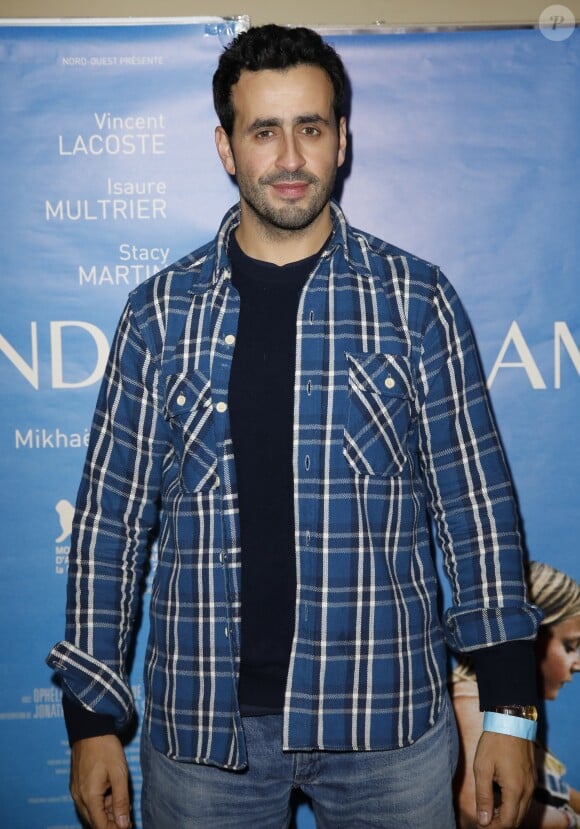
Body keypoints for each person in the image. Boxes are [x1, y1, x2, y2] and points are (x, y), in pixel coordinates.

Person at [47, 23, 543, 829]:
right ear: (226, 146)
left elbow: (477, 510)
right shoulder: (158, 314)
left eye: (310, 128)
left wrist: (511, 711)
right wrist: (92, 718)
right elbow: (110, 526)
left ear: (342, 140)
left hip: (389, 726)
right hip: (206, 735)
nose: (288, 157)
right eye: (264, 131)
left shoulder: (415, 302)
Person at [452, 561, 580, 829]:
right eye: (570, 646)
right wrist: (570, 821)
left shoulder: (518, 713)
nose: (578, 663)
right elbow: (475, 810)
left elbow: (556, 792)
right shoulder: (471, 703)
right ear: (531, 640)